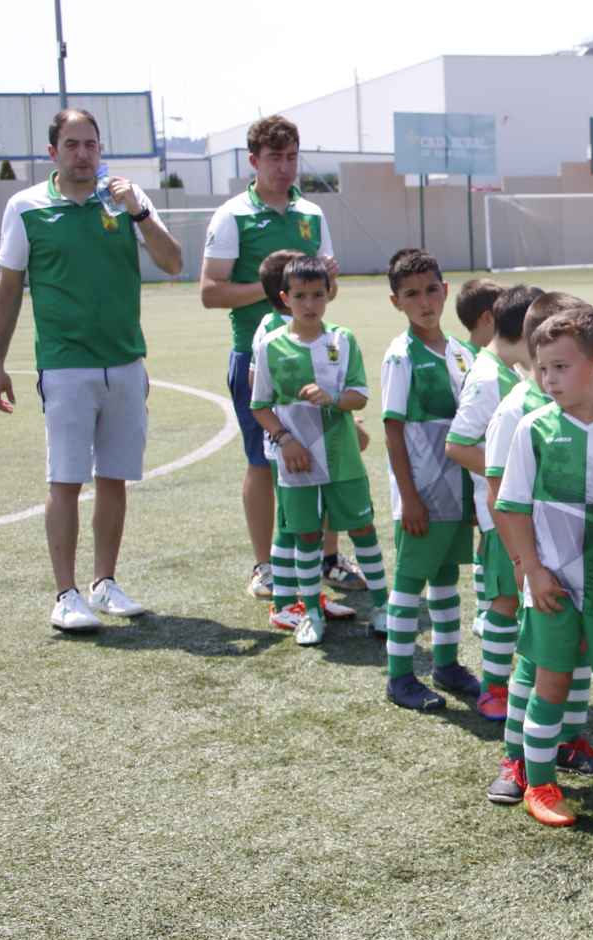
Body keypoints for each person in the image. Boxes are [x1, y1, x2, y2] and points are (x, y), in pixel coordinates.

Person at [0, 107, 184, 631]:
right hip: (65, 366)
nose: (82, 155)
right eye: (71, 145)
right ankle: (65, 594)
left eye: (90, 145)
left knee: (115, 476)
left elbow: (173, 262)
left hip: (124, 362)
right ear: (53, 152)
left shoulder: (127, 200)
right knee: (65, 480)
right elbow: (8, 290)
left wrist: (139, 212)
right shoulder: (25, 207)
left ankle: (105, 583)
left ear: (101, 149)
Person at [200, 115, 352, 600]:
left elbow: (329, 289)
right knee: (261, 462)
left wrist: (325, 280)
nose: (285, 168)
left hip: (315, 356)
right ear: (253, 161)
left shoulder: (311, 213)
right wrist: (275, 290)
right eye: (274, 158)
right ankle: (264, 565)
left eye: (291, 157)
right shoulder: (231, 216)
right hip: (258, 356)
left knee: (325, 457)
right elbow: (210, 292)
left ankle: (328, 557)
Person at [493, 307, 593, 828]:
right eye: (542, 368)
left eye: (560, 367)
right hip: (551, 584)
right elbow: (510, 507)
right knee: (550, 682)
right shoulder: (533, 428)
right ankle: (541, 783)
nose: (548, 379)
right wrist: (530, 569)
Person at [249, 257, 384, 648]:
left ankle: (382, 607)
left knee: (362, 530)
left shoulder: (343, 340)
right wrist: (284, 439)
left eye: (318, 296)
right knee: (307, 536)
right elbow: (259, 405)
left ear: (328, 296)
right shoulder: (271, 346)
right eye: (301, 296)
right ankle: (309, 612)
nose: (310, 304)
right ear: (285, 298)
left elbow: (359, 396)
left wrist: (334, 399)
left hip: (343, 458)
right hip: (297, 461)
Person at [377, 250, 485, 711]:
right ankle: (399, 676)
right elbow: (393, 429)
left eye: (431, 290)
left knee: (445, 580)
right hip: (422, 492)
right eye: (412, 294)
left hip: (456, 491)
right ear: (396, 301)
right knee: (409, 584)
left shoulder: (463, 353)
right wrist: (409, 497)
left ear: (445, 289)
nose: (424, 301)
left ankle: (446, 664)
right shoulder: (400, 356)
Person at [446, 285, 537, 721]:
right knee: (504, 602)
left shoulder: (511, 369)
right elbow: (458, 445)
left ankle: (512, 683)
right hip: (502, 514)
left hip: (519, 510)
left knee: (519, 601)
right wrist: (512, 474)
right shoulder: (487, 379)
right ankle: (493, 689)